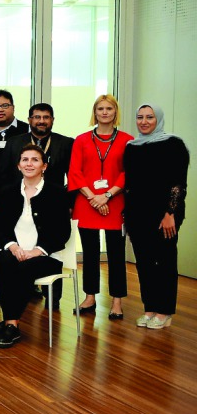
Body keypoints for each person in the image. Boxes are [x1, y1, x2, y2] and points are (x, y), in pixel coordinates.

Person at [0, 144, 71, 349]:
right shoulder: (8, 191)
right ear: (18, 165)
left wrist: (37, 251)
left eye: (35, 160)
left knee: (22, 268)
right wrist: (13, 246)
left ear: (44, 166)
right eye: (25, 159)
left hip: (46, 257)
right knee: (5, 261)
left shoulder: (57, 193)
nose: (29, 164)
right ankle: (11, 323)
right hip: (15, 252)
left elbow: (62, 232)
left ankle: (10, 323)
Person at [124, 103, 189, 330]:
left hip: (164, 215)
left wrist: (171, 213)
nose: (144, 121)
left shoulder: (174, 144)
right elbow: (130, 183)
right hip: (137, 214)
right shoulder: (131, 147)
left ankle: (164, 311)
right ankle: (149, 308)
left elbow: (178, 183)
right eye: (140, 117)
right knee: (144, 263)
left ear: (158, 119)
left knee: (164, 262)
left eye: (149, 117)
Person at [68, 94, 132, 319]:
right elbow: (75, 172)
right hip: (87, 202)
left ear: (115, 112)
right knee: (90, 253)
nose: (105, 112)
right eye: (100, 109)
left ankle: (117, 301)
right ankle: (90, 297)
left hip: (115, 201)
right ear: (94, 113)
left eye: (109, 109)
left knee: (116, 254)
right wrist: (94, 198)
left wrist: (106, 195)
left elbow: (128, 172)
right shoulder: (81, 140)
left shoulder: (128, 140)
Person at [0, 103, 73, 191]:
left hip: (55, 195)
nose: (42, 121)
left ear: (52, 120)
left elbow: (73, 176)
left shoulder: (66, 143)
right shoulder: (14, 143)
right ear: (29, 120)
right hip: (19, 195)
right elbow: (4, 174)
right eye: (37, 117)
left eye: (46, 117)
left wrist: (67, 196)